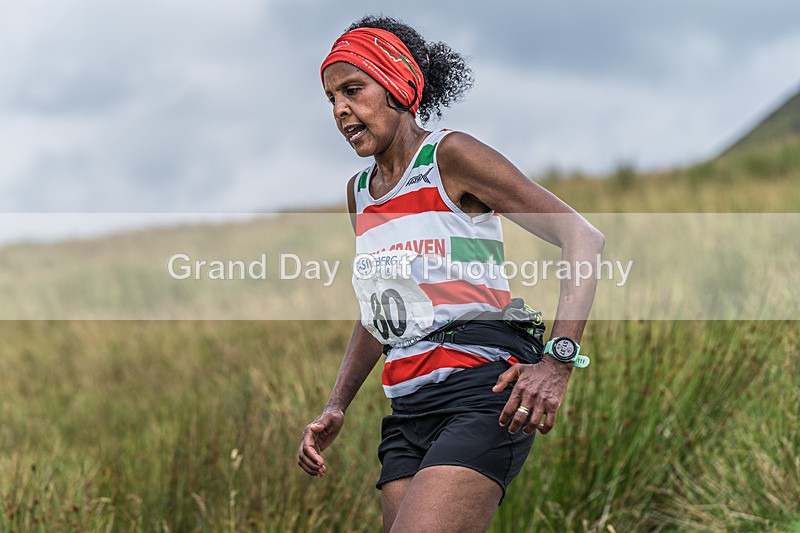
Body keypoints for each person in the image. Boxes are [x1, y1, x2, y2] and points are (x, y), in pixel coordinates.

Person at [298, 15, 604, 533]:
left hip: (481, 394)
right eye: (331, 98)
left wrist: (557, 364)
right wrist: (337, 405)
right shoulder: (360, 193)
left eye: (352, 90)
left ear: (397, 84)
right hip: (408, 411)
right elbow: (381, 312)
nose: (340, 110)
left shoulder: (450, 156)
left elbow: (582, 238)